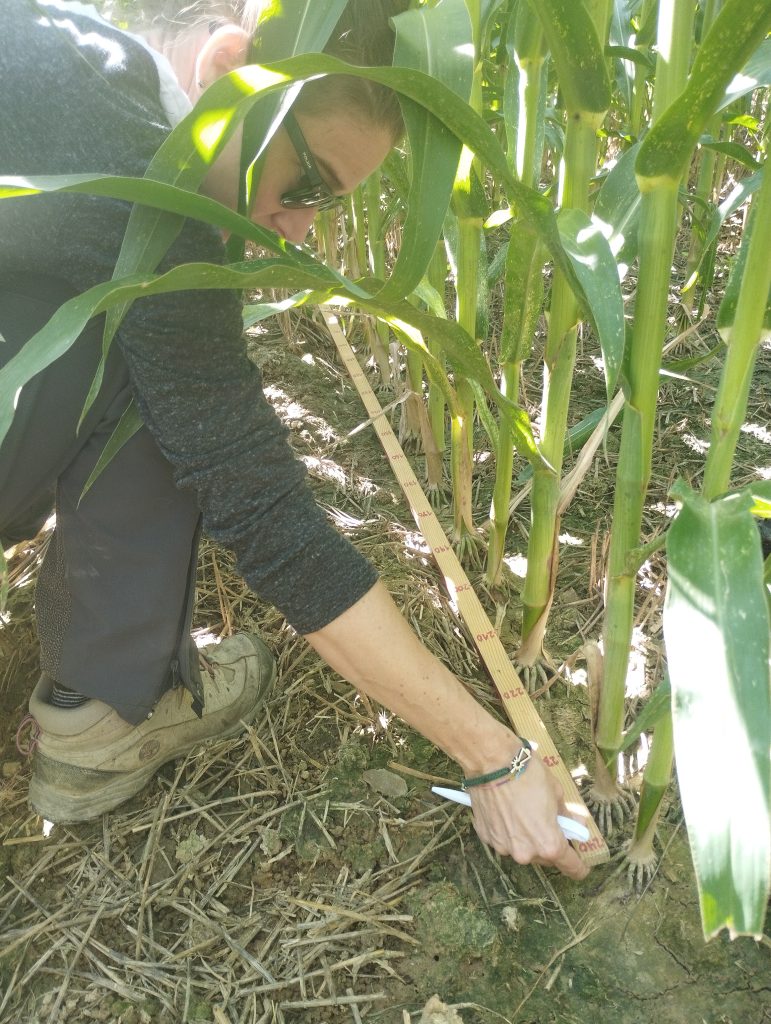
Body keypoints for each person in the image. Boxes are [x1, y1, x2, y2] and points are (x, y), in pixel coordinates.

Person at [0, 0, 589, 881]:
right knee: (155, 371)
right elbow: (258, 498)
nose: (301, 228)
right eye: (308, 185)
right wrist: (491, 754)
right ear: (233, 66)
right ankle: (107, 716)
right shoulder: (139, 184)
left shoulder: (55, 49)